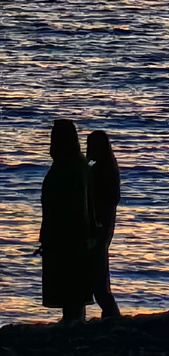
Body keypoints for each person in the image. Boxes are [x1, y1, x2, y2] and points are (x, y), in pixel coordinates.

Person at [40, 120, 93, 322]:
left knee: (70, 281)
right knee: (70, 284)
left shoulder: (71, 169)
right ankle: (73, 318)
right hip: (65, 234)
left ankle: (73, 319)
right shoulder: (73, 166)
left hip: (67, 236)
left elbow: (74, 207)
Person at [86, 130, 122, 318]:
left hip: (98, 229)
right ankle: (111, 315)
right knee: (100, 278)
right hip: (105, 229)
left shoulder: (99, 172)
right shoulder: (109, 170)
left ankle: (112, 315)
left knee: (98, 281)